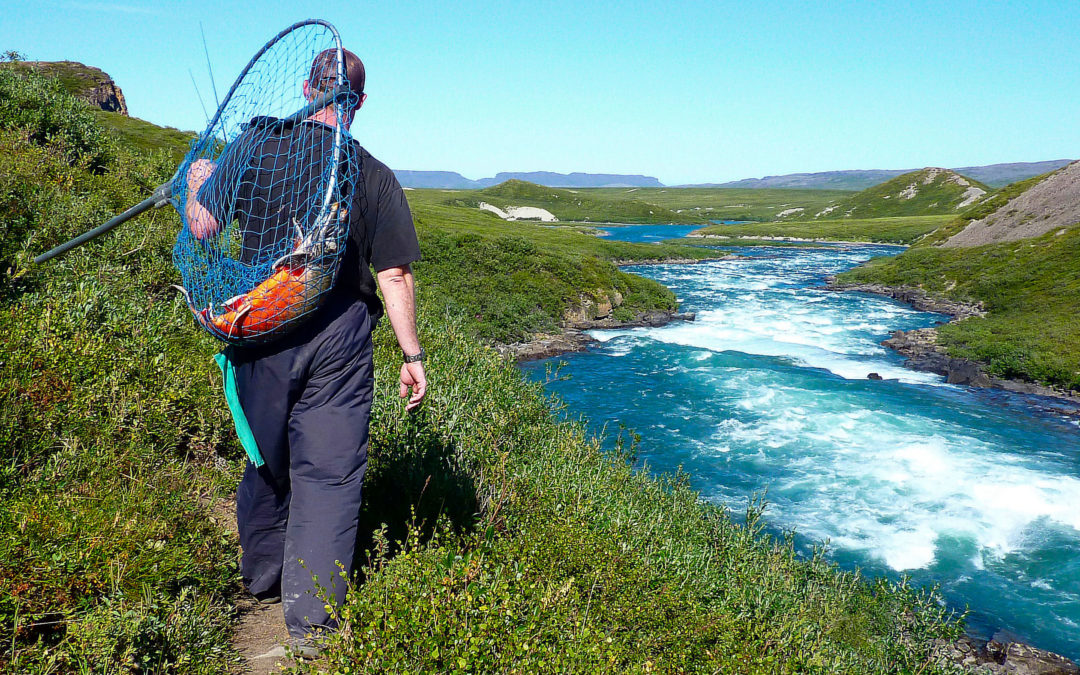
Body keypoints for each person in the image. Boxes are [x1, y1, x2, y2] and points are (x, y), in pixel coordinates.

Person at [185, 48, 427, 656]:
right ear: (359, 103)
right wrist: (412, 355)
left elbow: (203, 226)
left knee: (266, 452)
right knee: (329, 474)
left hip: (260, 326)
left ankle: (263, 577)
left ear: (305, 87)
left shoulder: (255, 144)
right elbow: (393, 273)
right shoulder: (373, 174)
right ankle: (312, 625)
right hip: (340, 337)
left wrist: (195, 184)